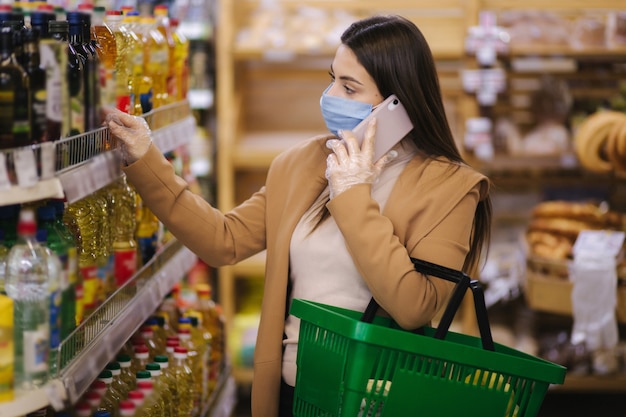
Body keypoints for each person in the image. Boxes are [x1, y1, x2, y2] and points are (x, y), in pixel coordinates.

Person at [105, 14, 492, 417]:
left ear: (396, 103)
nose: (330, 95)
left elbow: (414, 308)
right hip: (294, 394)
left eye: (348, 87)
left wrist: (353, 194)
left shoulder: (450, 187)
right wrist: (146, 158)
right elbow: (224, 240)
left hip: (378, 402)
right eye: (332, 79)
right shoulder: (305, 163)